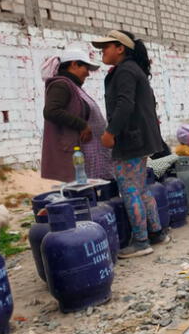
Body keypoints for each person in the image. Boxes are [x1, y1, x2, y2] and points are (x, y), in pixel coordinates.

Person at [92, 30, 167, 258]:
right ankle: (157, 233)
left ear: (120, 48)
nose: (102, 51)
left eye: (106, 46)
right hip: (141, 137)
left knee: (130, 189)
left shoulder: (124, 71)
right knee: (141, 187)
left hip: (131, 139)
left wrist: (110, 131)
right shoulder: (133, 70)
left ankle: (141, 242)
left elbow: (125, 104)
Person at [40, 48, 112, 183]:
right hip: (76, 152)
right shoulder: (61, 85)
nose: (88, 74)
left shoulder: (73, 86)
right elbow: (51, 111)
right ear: (74, 65)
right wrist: (82, 125)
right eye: (86, 68)